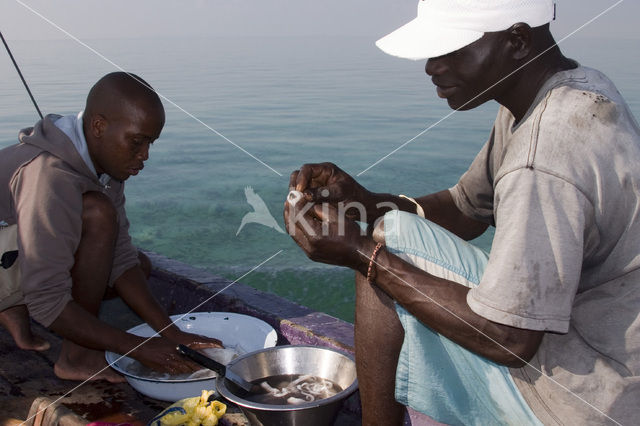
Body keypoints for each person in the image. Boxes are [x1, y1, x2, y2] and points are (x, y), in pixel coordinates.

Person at [285, 1, 640, 425]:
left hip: (588, 398)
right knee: (389, 228)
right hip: (592, 346)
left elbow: (510, 339)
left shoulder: (543, 157)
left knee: (381, 250)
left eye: (449, 50)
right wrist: (364, 200)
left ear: (517, 40)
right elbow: (466, 209)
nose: (431, 67)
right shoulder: (565, 92)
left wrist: (360, 254)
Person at [0, 72, 222, 383]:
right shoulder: (49, 176)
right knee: (97, 213)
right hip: (12, 254)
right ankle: (76, 357)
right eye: (136, 142)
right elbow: (47, 300)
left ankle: (11, 306)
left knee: (138, 267)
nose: (144, 155)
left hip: (10, 247)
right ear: (99, 127)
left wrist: (173, 334)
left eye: (150, 143)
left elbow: (121, 259)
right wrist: (140, 348)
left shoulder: (102, 165)